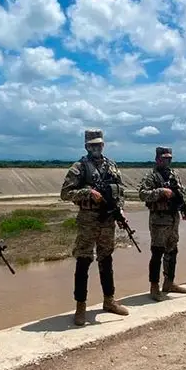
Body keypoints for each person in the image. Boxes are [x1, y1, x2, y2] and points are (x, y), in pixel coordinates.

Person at [60, 129, 130, 326]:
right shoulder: (79, 167)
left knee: (106, 260)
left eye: (98, 144)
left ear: (103, 145)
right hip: (88, 221)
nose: (96, 148)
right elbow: (65, 193)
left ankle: (109, 301)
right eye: (92, 145)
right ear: (86, 146)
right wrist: (88, 192)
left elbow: (120, 191)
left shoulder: (112, 166)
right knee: (83, 262)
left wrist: (121, 211)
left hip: (108, 221)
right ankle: (80, 307)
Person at [137, 146, 186, 301]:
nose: (167, 161)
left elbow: (181, 195)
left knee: (172, 250)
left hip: (173, 218)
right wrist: (160, 192)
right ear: (157, 159)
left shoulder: (174, 175)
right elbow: (142, 194)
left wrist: (183, 209)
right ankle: (154, 287)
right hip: (159, 220)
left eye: (169, 158)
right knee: (157, 252)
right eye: (164, 158)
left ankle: (169, 282)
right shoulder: (151, 177)